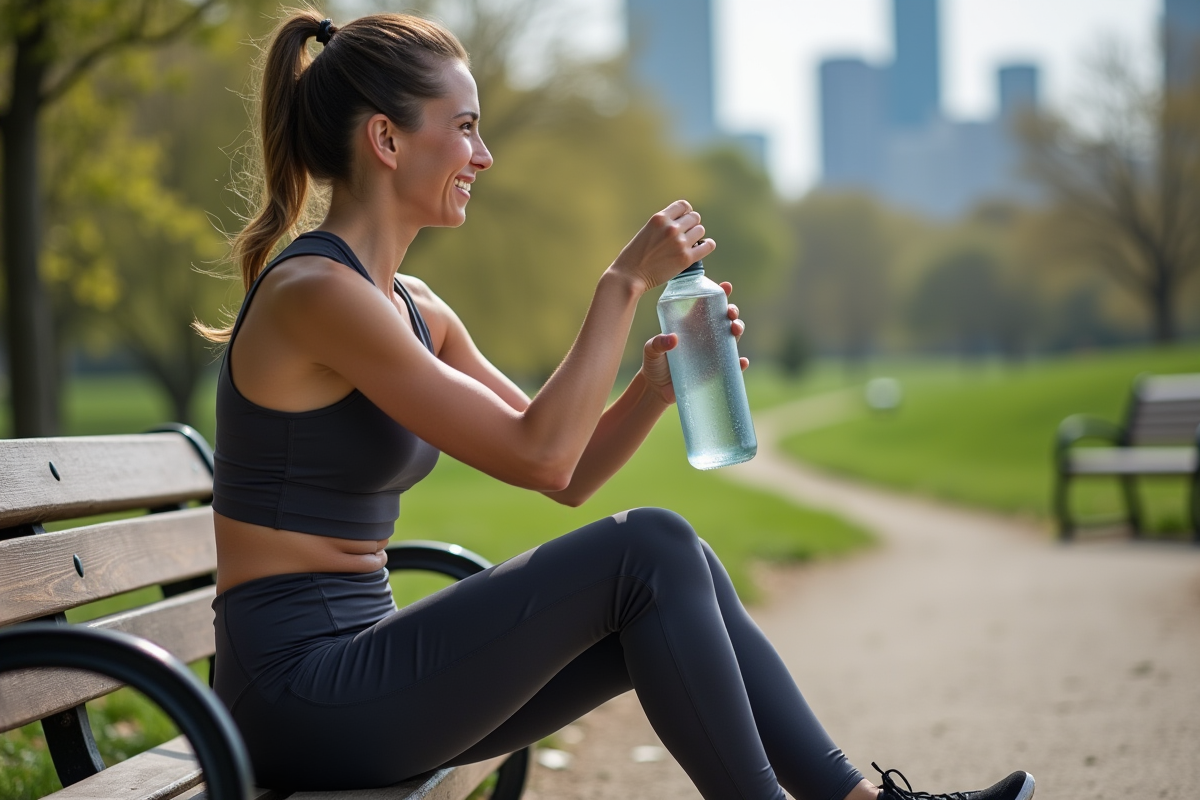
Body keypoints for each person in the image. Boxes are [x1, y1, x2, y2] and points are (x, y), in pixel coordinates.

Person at [200, 9, 1035, 800]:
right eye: (463, 127)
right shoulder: (316, 293)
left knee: (680, 566)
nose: (484, 154)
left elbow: (563, 475)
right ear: (385, 138)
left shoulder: (415, 307)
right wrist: (622, 282)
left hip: (361, 679)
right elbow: (542, 455)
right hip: (294, 696)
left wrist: (650, 389)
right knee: (653, 548)